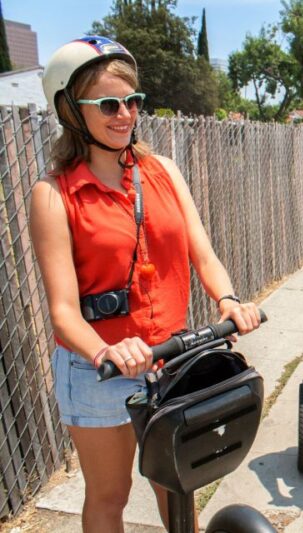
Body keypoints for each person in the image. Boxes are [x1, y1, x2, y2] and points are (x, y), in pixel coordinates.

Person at [30, 36, 262, 532]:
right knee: (110, 496)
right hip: (101, 373)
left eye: (132, 102)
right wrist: (105, 353)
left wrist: (228, 300)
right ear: (71, 111)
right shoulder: (54, 195)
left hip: (169, 359)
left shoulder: (164, 172)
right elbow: (63, 312)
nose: (125, 115)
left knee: (179, 484)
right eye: (108, 104)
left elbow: (203, 253)